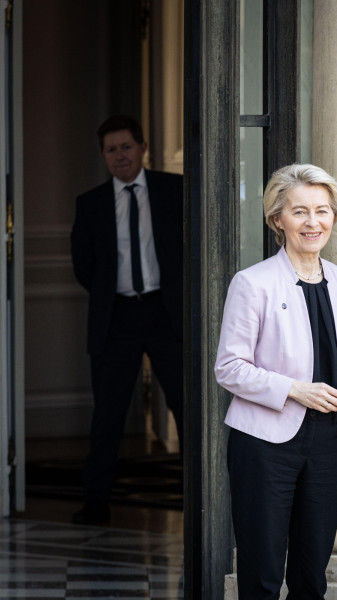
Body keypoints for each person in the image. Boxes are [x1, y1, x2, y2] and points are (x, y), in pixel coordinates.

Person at [215, 164, 337, 600]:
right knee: (262, 571)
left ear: (334, 217)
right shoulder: (252, 283)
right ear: (277, 219)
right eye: (299, 212)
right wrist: (295, 389)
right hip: (263, 443)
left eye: (322, 211)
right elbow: (229, 367)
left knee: (311, 571)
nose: (313, 222)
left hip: (327, 440)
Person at [70, 115, 183, 525]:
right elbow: (83, 265)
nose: (119, 156)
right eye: (111, 150)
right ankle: (96, 502)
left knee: (185, 405)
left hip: (166, 312)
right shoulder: (91, 203)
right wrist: (108, 294)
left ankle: (199, 499)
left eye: (126, 147)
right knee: (109, 412)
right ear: (103, 156)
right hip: (116, 316)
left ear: (142, 148)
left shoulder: (174, 190)